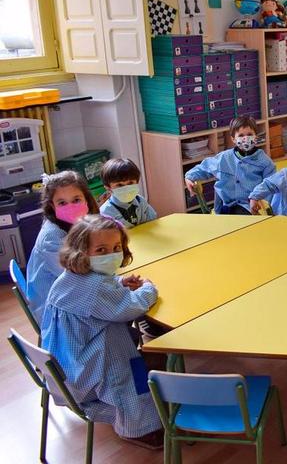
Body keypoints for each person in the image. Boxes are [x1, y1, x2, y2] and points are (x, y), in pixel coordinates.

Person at [40, 215, 163, 449]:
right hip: (84, 370)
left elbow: (96, 294)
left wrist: (118, 283)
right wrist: (149, 289)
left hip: (64, 363)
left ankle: (147, 399)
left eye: (117, 247)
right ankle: (138, 429)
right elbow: (129, 308)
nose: (112, 254)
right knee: (122, 364)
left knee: (120, 348)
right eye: (101, 249)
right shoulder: (95, 287)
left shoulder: (71, 277)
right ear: (81, 253)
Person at [26, 171, 100, 324]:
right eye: (62, 203)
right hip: (56, 311)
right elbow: (77, 278)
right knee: (118, 304)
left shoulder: (77, 224)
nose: (71, 206)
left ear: (87, 199)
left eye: (76, 200)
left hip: (70, 293)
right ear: (52, 206)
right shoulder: (52, 238)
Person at [184, 115, 275, 214]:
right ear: (233, 139)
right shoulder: (224, 158)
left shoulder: (264, 161)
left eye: (249, 134)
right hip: (224, 207)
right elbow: (205, 167)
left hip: (250, 207)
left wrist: (258, 199)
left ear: (256, 136)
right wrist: (189, 177)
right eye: (240, 135)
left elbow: (270, 184)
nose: (246, 138)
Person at [99, 158, 157, 228]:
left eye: (131, 183)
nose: (126, 188)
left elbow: (153, 222)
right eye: (119, 185)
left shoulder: (141, 201)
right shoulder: (105, 212)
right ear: (108, 188)